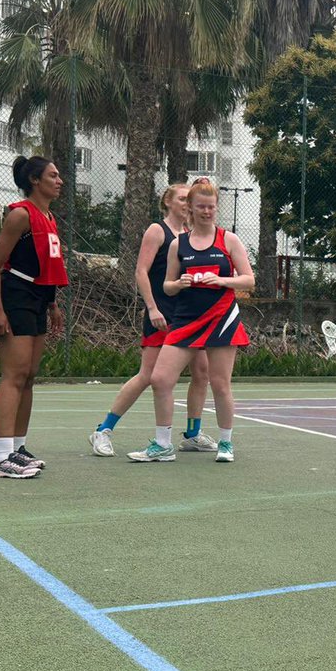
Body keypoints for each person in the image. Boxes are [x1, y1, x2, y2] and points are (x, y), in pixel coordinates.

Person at [127, 178, 254, 464]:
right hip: (185, 319)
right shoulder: (179, 244)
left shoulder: (228, 239)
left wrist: (221, 279)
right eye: (201, 207)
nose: (207, 211)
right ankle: (162, 445)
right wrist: (180, 283)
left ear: (215, 208)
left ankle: (225, 443)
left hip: (221, 318)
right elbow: (167, 286)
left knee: (220, 383)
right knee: (160, 379)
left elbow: (249, 279)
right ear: (191, 210)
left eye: (211, 207)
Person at [89, 184, 215, 457]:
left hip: (189, 317)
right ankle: (103, 430)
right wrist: (152, 308)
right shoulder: (158, 231)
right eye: (182, 198)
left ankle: (192, 434)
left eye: (189, 198)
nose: (187, 202)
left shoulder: (191, 235)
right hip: (162, 314)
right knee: (148, 375)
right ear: (167, 202)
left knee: (202, 373)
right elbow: (141, 272)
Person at [0, 156, 70, 478]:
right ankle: (1, 458)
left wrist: (52, 305)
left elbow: (45, 266)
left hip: (36, 299)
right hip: (14, 297)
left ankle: (17, 448)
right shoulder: (20, 214)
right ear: (35, 180)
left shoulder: (49, 217)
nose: (59, 181)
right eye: (53, 175)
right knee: (14, 375)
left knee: (30, 375)